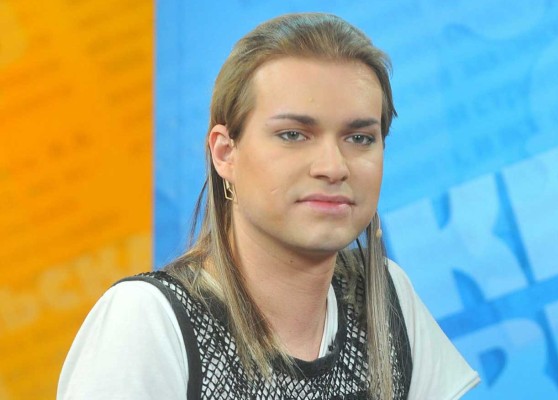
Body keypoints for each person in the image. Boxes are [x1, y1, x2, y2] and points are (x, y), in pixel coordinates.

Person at [57, 12, 480, 400]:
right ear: (225, 153)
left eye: (359, 138)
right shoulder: (146, 321)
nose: (333, 167)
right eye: (293, 135)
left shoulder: (386, 297)